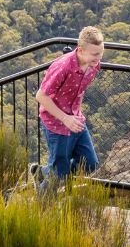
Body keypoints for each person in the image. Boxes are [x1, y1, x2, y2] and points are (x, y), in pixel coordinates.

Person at [35, 25, 104, 190]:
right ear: (80, 50)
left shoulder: (93, 65)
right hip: (56, 122)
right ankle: (41, 202)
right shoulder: (63, 67)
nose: (99, 57)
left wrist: (74, 115)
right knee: (59, 174)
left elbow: (79, 91)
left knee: (90, 164)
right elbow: (41, 96)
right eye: (95, 54)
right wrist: (65, 118)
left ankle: (43, 172)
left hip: (76, 119)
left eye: (101, 52)